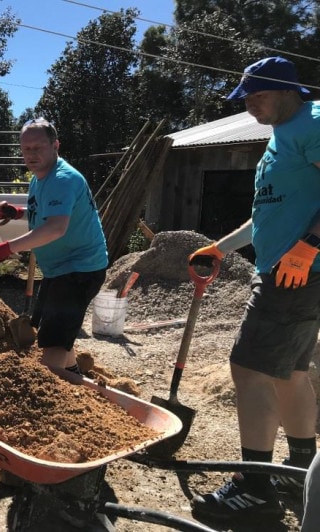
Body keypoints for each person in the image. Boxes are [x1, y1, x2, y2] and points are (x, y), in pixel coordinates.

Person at [188, 57, 320, 523]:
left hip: (297, 271)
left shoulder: (314, 122)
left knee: (248, 367)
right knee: (289, 371)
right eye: (245, 98)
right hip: (287, 269)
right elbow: (265, 215)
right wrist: (219, 249)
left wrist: (309, 245)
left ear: (287, 91)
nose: (249, 106)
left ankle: (256, 488)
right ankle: (302, 471)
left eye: (256, 96)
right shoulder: (280, 140)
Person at [0, 118, 108, 374]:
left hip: (79, 270)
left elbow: (56, 227)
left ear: (55, 145)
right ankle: (73, 376)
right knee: (59, 333)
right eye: (26, 148)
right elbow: (46, 214)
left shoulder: (63, 179)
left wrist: (8, 248)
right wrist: (18, 212)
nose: (32, 154)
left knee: (52, 345)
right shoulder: (40, 178)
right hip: (60, 269)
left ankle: (47, 400)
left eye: (38, 147)